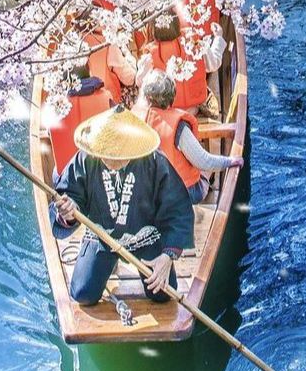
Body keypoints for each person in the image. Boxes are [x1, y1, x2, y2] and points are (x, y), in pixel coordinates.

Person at [52, 106, 194, 305]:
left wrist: (168, 256)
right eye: (105, 155)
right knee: (82, 294)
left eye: (116, 156)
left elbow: (178, 210)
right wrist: (69, 211)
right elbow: (69, 194)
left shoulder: (154, 161)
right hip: (102, 236)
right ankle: (105, 263)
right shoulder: (86, 158)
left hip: (146, 236)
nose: (109, 161)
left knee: (163, 294)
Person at [133, 70, 243, 203]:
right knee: (206, 170)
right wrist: (230, 161)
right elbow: (204, 161)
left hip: (148, 194)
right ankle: (212, 187)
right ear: (172, 97)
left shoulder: (134, 118)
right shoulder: (178, 126)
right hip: (180, 195)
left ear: (146, 96)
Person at [44, 64, 114, 176]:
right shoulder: (106, 97)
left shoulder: (53, 105)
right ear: (88, 76)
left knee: (55, 173)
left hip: (67, 177)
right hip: (101, 176)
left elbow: (49, 132)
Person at [139, 11, 212, 114]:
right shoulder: (192, 41)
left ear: (152, 29)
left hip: (166, 112)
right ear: (177, 23)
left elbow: (139, 82)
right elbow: (212, 66)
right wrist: (219, 38)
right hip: (193, 109)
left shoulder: (150, 56)